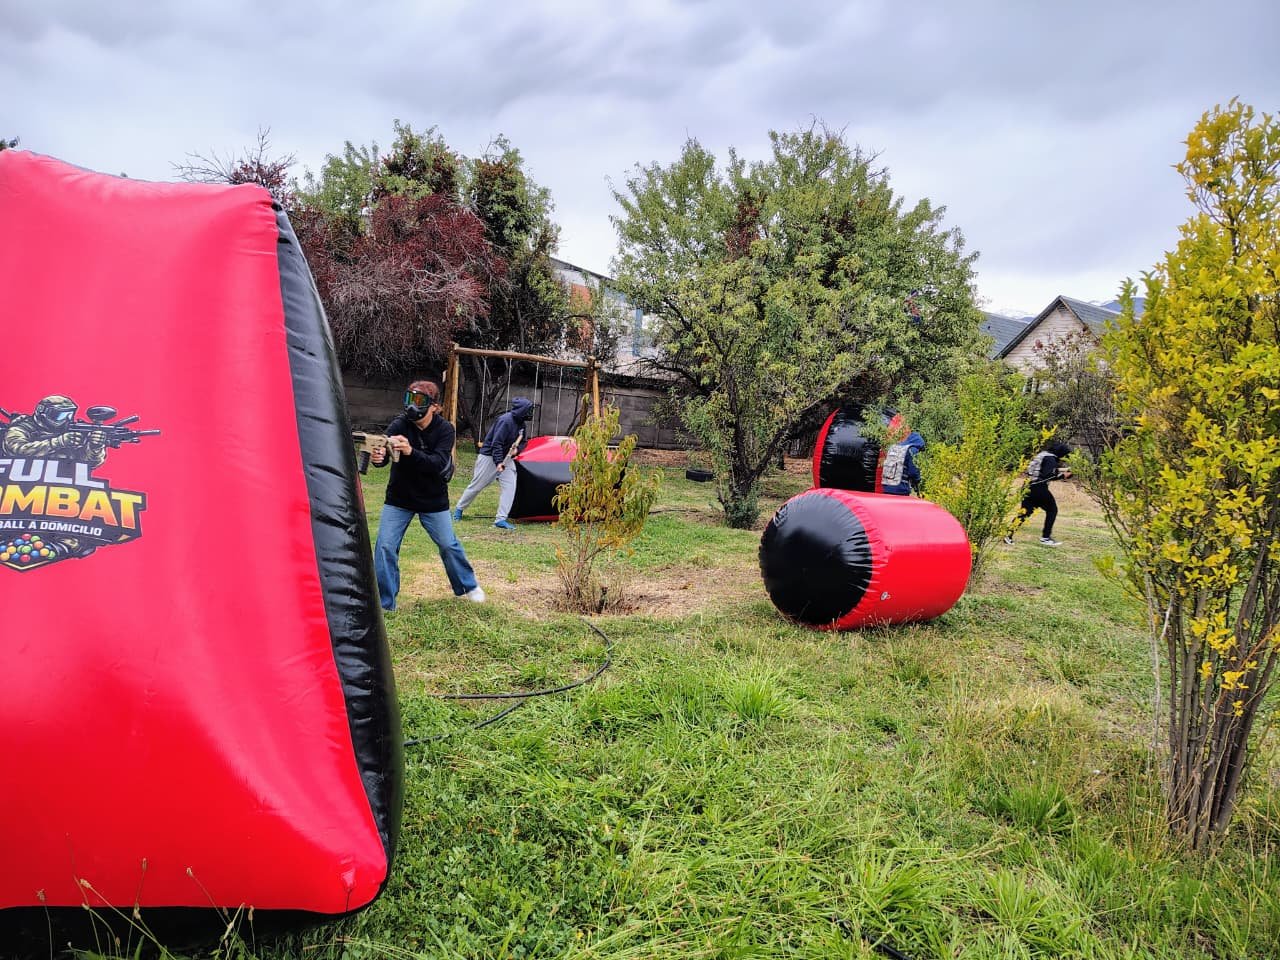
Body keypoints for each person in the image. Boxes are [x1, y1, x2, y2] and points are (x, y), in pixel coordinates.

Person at [371, 379, 484, 608]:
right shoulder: (400, 424)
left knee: (448, 544)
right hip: (399, 498)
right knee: (384, 547)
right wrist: (379, 458)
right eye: (409, 398)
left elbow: (437, 464)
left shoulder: (445, 430)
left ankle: (469, 586)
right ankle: (386, 603)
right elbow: (384, 454)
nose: (413, 405)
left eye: (420, 400)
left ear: (435, 406)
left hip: (433, 500)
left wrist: (410, 451)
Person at [453, 397, 535, 530]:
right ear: (522, 410)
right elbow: (496, 443)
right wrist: (498, 462)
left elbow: (524, 441)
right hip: (490, 457)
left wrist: (516, 451)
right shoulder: (505, 421)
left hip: (507, 459)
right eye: (529, 410)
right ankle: (458, 510)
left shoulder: (521, 424)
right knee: (477, 485)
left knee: (510, 486)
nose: (530, 413)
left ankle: (500, 519)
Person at [1005, 441, 1073, 547]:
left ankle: (1008, 535)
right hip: (1039, 488)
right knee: (1052, 510)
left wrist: (1061, 471)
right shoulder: (1051, 459)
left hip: (1028, 486)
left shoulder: (1043, 455)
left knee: (1024, 513)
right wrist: (1063, 476)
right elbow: (1047, 475)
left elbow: (1042, 470)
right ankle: (1045, 537)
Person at [881, 431, 926, 496]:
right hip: (900, 489)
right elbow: (913, 472)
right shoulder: (909, 451)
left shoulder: (893, 447)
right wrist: (917, 479)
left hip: (886, 487)